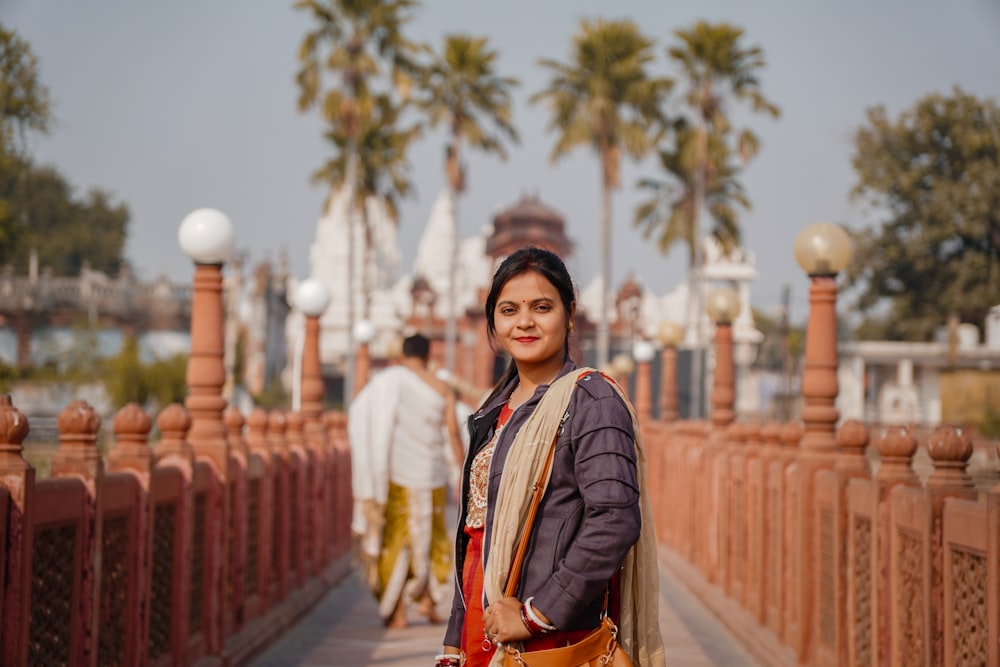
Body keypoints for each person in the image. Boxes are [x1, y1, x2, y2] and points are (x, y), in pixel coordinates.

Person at [436, 247, 664, 667]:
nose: (524, 321)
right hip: (481, 635)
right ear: (493, 321)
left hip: (547, 641)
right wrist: (452, 645)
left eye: (542, 307)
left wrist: (535, 615)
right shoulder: (494, 410)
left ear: (569, 313)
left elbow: (615, 519)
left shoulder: (591, 399)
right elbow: (475, 538)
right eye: (509, 309)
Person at [348, 333, 464, 628]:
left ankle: (397, 610)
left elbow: (361, 412)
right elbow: (452, 433)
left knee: (397, 542)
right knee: (432, 540)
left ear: (403, 354)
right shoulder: (442, 389)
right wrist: (463, 471)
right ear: (428, 356)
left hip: (397, 477)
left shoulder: (388, 381)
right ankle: (428, 601)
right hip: (433, 476)